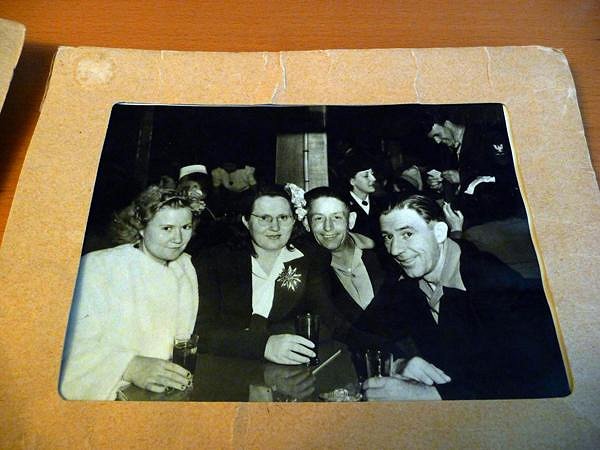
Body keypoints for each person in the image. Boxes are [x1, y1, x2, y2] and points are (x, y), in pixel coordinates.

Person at [363, 194, 569, 400]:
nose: (395, 250)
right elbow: (363, 333)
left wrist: (431, 395)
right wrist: (398, 364)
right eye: (388, 237)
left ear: (439, 233)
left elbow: (535, 376)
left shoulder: (490, 281)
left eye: (407, 234)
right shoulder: (405, 281)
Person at [59, 183, 201, 400]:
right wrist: (129, 365)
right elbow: (68, 347)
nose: (178, 239)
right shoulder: (99, 267)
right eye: (167, 228)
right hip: (111, 393)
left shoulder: (185, 268)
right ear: (141, 227)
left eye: (186, 227)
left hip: (162, 393)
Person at [303, 187, 452, 386]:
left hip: (427, 365)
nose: (328, 227)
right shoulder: (311, 273)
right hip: (364, 372)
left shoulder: (386, 255)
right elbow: (341, 330)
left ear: (351, 220)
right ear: (307, 224)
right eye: (318, 218)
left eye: (336, 217)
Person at [193, 185, 336, 365]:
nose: (275, 227)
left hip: (289, 366)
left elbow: (326, 321)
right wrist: (263, 345)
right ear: (246, 221)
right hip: (225, 366)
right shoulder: (214, 260)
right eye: (264, 218)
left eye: (283, 217)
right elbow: (200, 331)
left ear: (294, 220)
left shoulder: (312, 258)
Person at [425, 117, 521, 225]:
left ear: (448, 124)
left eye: (437, 135)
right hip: (469, 218)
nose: (437, 141)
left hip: (499, 219)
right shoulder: (447, 150)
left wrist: (462, 177)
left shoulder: (487, 137)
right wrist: (442, 185)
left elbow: (510, 174)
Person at [341, 150, 381, 240]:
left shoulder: (381, 203)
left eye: (372, 174)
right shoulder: (342, 206)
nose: (373, 179)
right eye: (366, 176)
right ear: (352, 181)